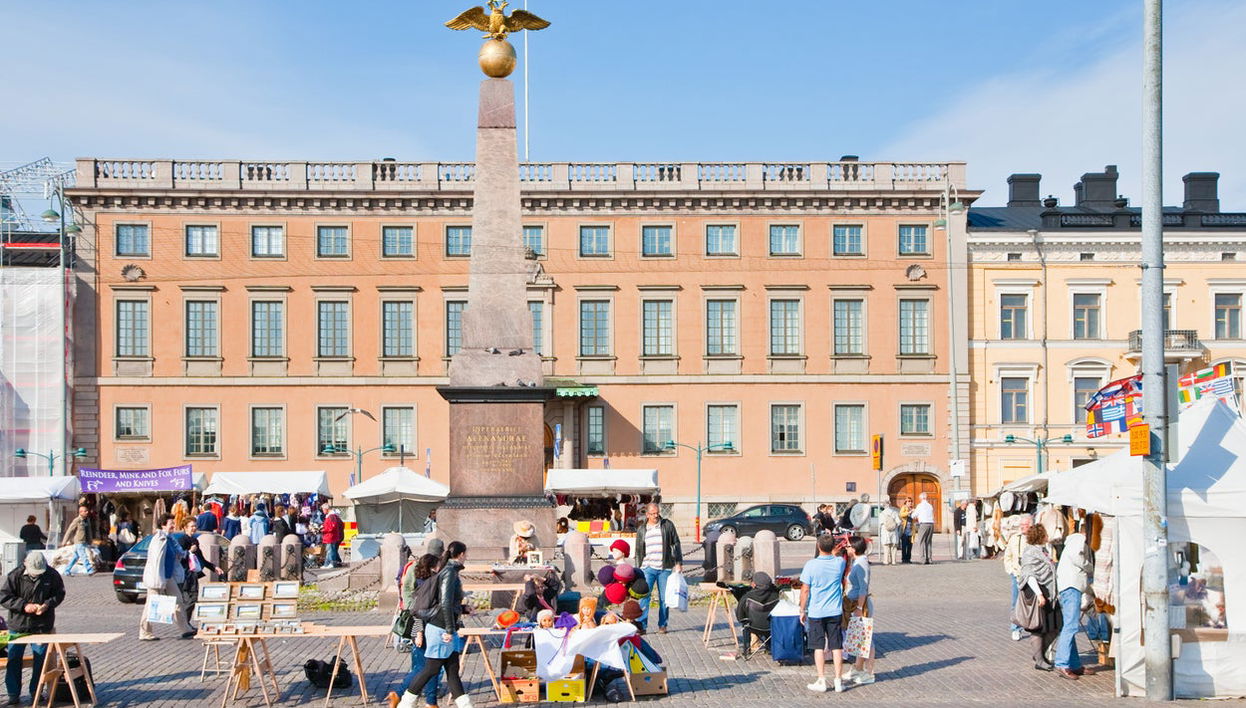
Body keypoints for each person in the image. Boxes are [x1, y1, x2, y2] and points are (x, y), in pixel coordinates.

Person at [397, 541, 472, 708]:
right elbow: (444, 603)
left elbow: (446, 602)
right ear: (460, 554)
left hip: (441, 625)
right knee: (429, 669)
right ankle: (405, 703)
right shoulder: (449, 572)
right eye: (465, 554)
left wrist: (462, 608)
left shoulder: (447, 570)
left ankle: (465, 705)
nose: (466, 557)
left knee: (452, 670)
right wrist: (449, 629)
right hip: (441, 627)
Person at [0, 553, 64, 706]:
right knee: (14, 659)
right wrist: (23, 606)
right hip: (19, 626)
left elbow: (59, 594)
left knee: (41, 660)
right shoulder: (15, 575)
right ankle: (13, 694)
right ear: (25, 564)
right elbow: (4, 596)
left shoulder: (52, 574)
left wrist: (48, 604)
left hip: (42, 625)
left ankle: (36, 691)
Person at [387, 553, 442, 708]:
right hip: (422, 628)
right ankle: (401, 693)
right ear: (432, 567)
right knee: (425, 667)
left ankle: (430, 701)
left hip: (422, 628)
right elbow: (419, 611)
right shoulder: (427, 585)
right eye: (437, 565)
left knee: (428, 667)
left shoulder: (424, 581)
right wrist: (418, 633)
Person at [800, 533, 847, 693]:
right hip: (834, 610)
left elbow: (805, 590)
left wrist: (802, 609)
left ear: (818, 547)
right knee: (836, 646)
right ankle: (838, 680)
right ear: (833, 547)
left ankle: (821, 679)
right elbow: (837, 556)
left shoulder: (810, 565)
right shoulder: (839, 563)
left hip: (816, 610)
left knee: (818, 646)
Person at [139, 513, 196, 641]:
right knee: (150, 605)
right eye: (171, 524)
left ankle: (185, 629)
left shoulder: (170, 539)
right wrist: (158, 580)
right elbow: (155, 560)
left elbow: (178, 554)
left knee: (178, 601)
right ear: (163, 525)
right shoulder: (159, 539)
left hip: (168, 576)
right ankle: (145, 632)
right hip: (157, 577)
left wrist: (187, 553)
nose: (173, 526)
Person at [634, 503, 682, 634]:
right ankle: (641, 625)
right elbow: (638, 550)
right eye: (653, 513)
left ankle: (663, 624)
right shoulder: (642, 529)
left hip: (664, 567)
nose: (656, 515)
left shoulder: (667, 525)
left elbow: (676, 543)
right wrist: (638, 568)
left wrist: (678, 562)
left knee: (664, 598)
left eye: (657, 512)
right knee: (644, 597)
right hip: (647, 568)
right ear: (647, 514)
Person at [1054, 524, 1094, 679]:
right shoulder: (1079, 539)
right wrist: (1089, 567)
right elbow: (1076, 557)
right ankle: (1062, 663)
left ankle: (1074, 663)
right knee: (1070, 626)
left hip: (1070, 586)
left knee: (1070, 625)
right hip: (1071, 586)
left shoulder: (1074, 540)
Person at [1019, 524, 1059, 673]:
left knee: (1054, 626)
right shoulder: (1030, 552)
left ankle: (1040, 654)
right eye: (1046, 534)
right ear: (1041, 536)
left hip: (1049, 593)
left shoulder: (1043, 550)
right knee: (1038, 627)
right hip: (1038, 593)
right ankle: (1039, 659)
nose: (1048, 536)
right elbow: (1028, 574)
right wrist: (1039, 594)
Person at [843, 536, 876, 685]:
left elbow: (863, 589)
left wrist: (859, 608)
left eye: (848, 546)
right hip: (855, 602)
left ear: (854, 549)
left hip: (860, 604)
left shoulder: (862, 563)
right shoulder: (857, 561)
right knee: (858, 637)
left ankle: (869, 672)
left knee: (865, 638)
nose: (847, 548)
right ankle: (858, 668)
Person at [735, 571, 780, 657]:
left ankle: (747, 648)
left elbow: (740, 615)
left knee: (745, 620)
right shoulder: (776, 596)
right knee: (768, 618)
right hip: (770, 626)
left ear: (754, 584)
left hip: (752, 626)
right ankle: (769, 646)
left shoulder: (747, 596)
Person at [1003, 515, 1034, 641]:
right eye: (1021, 525)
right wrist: (1010, 569)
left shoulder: (1036, 539)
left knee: (1032, 603)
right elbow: (1008, 555)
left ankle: (1034, 626)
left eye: (1025, 525)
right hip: (1017, 574)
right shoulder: (1015, 538)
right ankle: (1016, 628)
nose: (1022, 527)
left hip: (1032, 576)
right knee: (1015, 603)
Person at [61, 505, 96, 576]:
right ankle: (89, 570)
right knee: (83, 555)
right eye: (85, 511)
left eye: (87, 511)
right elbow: (69, 531)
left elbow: (89, 531)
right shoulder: (77, 520)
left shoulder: (87, 520)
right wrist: (64, 541)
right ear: (80, 512)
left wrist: (90, 540)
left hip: (84, 541)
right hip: (79, 541)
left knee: (76, 557)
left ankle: (67, 570)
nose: (87, 512)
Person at [913, 492, 935, 564]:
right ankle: (929, 558)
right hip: (931, 524)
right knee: (928, 542)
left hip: (923, 524)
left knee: (921, 541)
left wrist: (912, 512)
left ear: (921, 498)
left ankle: (922, 559)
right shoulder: (930, 505)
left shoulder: (920, 505)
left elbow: (914, 515)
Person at [321, 504, 345, 568]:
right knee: (331, 550)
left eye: (323, 509)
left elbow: (332, 527)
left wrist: (323, 530)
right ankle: (328, 563)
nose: (323, 511)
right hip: (331, 536)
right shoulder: (332, 516)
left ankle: (332, 563)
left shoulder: (331, 516)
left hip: (331, 536)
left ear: (326, 509)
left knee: (331, 550)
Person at [898, 500, 914, 564]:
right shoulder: (903, 508)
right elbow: (901, 515)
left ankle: (908, 559)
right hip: (904, 531)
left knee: (910, 546)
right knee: (904, 546)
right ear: (906, 503)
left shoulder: (912, 509)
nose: (910, 503)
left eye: (911, 501)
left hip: (910, 531)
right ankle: (904, 559)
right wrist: (909, 512)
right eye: (908, 501)